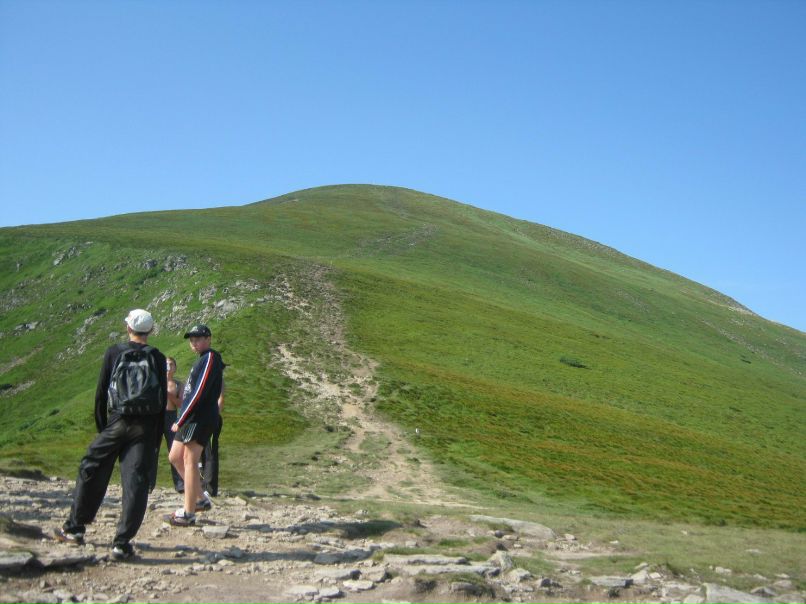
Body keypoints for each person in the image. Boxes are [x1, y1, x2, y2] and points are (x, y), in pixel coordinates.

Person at [55, 309, 167, 561]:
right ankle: (122, 543)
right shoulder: (158, 357)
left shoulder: (114, 352)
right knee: (135, 481)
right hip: (145, 428)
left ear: (128, 328)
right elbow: (160, 402)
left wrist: (103, 427)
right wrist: (156, 439)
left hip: (117, 422)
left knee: (91, 465)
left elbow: (101, 393)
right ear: (149, 331)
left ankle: (75, 528)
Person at [167, 324, 224, 526]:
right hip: (190, 417)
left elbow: (199, 392)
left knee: (190, 461)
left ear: (208, 338)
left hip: (199, 417)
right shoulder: (201, 360)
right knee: (174, 457)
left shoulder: (210, 357)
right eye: (192, 340)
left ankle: (188, 512)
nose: (194, 342)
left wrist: (180, 419)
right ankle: (200, 499)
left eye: (198, 338)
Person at [200, 379, 225, 499]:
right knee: (200, 452)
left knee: (210, 452)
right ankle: (201, 484)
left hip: (211, 417)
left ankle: (210, 488)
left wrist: (214, 415)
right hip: (199, 418)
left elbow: (221, 398)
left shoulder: (217, 377)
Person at [164, 357, 185, 492]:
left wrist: (169, 395)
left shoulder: (178, 384)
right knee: (151, 450)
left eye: (171, 364)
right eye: (166, 364)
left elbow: (181, 404)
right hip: (156, 417)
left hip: (171, 416)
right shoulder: (156, 382)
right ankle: (148, 483)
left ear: (175, 367)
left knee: (174, 450)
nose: (168, 367)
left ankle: (179, 483)